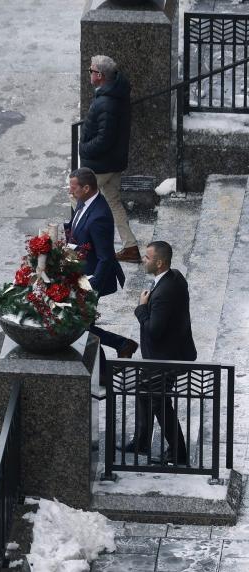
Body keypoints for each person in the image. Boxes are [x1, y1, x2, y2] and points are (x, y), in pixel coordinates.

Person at [126, 241, 195, 464]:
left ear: (159, 262)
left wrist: (141, 308)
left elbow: (154, 330)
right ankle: (142, 441)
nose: (143, 260)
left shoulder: (163, 292)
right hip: (168, 354)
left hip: (164, 359)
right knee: (145, 393)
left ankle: (178, 452)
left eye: (147, 258)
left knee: (159, 403)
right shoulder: (175, 277)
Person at [65, 168, 137, 372]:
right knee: (82, 326)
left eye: (73, 187)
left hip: (91, 280)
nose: (70, 191)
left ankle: (106, 369)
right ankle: (122, 345)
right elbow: (77, 225)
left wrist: (90, 286)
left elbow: (105, 258)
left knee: (81, 328)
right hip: (79, 273)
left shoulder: (99, 216)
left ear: (86, 188)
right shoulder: (84, 201)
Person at [80, 55, 140, 263]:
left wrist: (85, 148)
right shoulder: (115, 92)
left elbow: (104, 138)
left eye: (91, 71)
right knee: (113, 202)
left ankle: (81, 246)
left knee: (78, 197)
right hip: (114, 162)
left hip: (102, 164)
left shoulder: (106, 102)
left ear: (99, 75)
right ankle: (130, 246)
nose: (89, 74)